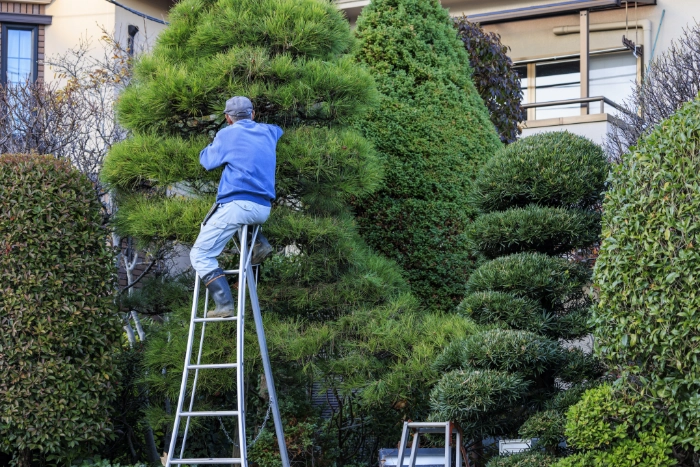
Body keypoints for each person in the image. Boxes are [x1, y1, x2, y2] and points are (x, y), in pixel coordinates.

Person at [189, 96, 283, 318]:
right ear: (253, 114)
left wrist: (215, 143)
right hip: (262, 209)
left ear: (227, 118)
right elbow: (279, 130)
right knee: (240, 219)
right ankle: (258, 242)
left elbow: (207, 161)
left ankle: (224, 305)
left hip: (237, 205)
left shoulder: (226, 134)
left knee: (200, 254)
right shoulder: (270, 132)